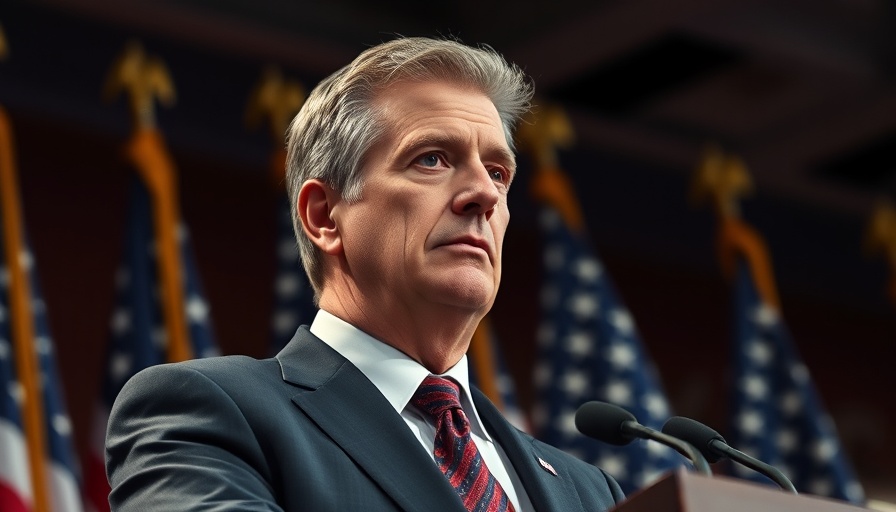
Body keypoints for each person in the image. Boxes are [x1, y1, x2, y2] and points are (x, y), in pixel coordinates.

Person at [105, 36, 624, 511]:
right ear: (325, 217)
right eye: (432, 159)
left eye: (497, 172)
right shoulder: (207, 415)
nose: (485, 195)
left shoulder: (591, 492)